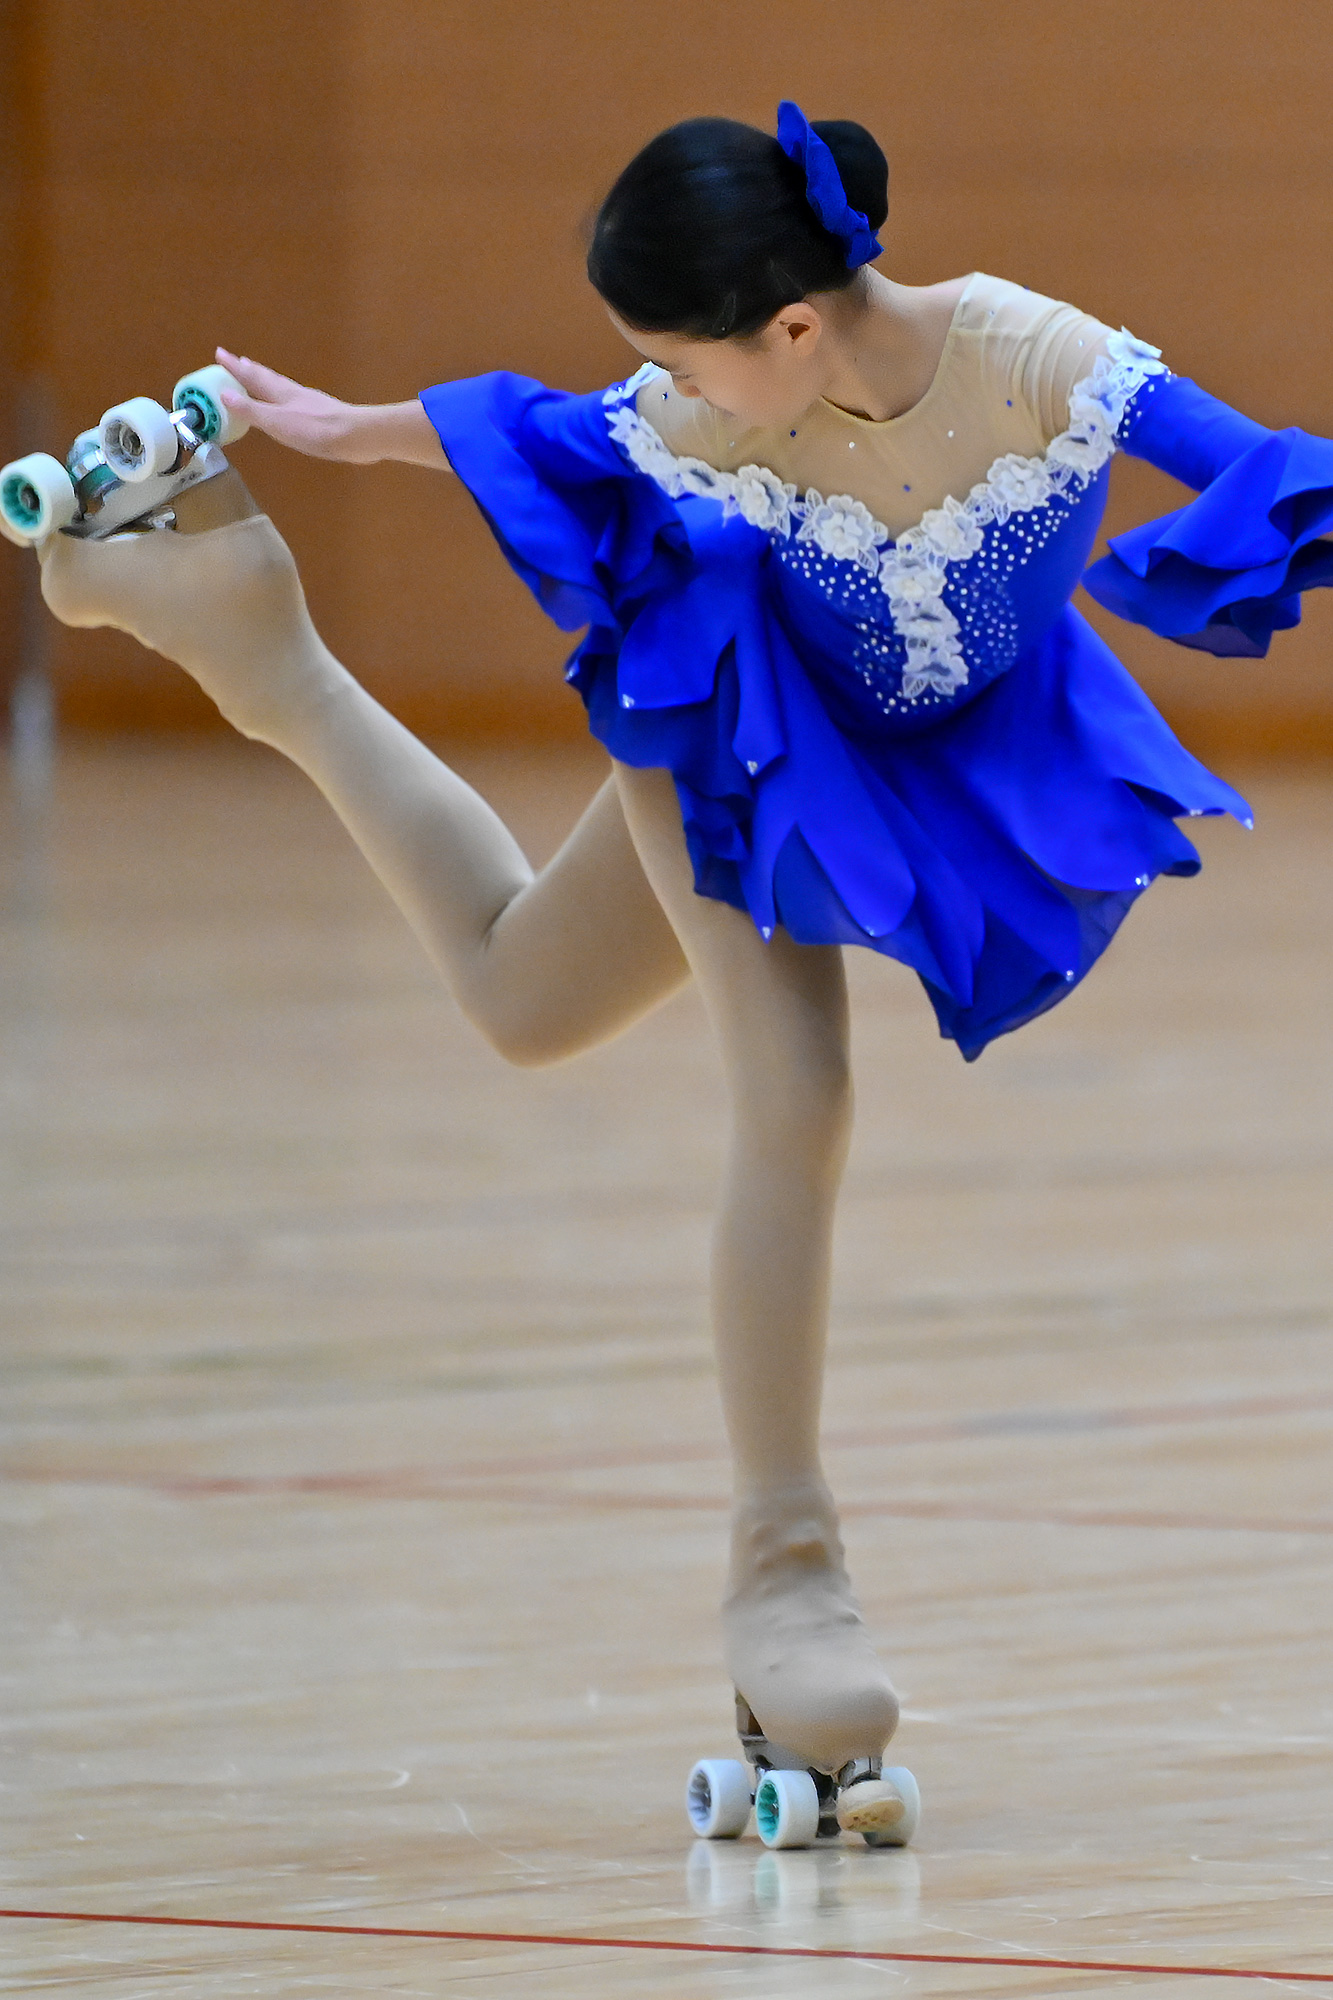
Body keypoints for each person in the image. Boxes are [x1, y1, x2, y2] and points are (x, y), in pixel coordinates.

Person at [34, 103, 1333, 1804]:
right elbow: (554, 428)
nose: (662, 389)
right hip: (743, 727)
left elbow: (1262, 462)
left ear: (790, 326)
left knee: (519, 992)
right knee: (797, 1094)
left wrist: (1194, 563)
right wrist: (343, 428)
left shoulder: (1032, 357)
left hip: (948, 758)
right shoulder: (703, 412)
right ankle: (786, 1569)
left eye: (677, 355)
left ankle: (249, 642)